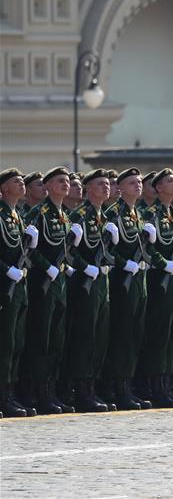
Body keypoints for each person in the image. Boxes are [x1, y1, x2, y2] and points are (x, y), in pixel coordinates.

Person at [22, 167, 79, 414]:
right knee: (41, 339)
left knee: (57, 338)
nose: (66, 184)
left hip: (59, 283)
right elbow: (28, 249)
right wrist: (48, 268)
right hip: (42, 284)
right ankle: (36, 392)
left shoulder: (63, 215)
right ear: (48, 186)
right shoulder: (40, 213)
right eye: (60, 181)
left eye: (67, 180)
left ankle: (51, 390)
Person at [139, 169, 173, 408]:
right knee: (160, 333)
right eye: (170, 181)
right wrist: (163, 263)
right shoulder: (150, 214)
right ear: (158, 188)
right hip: (159, 279)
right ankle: (155, 385)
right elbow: (145, 248)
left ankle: (167, 383)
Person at [66, 169, 116, 413]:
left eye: (107, 184)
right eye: (100, 184)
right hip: (86, 285)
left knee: (100, 336)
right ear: (87, 189)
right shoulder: (80, 216)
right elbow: (67, 251)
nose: (106, 187)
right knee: (86, 337)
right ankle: (81, 390)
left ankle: (92, 386)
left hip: (102, 283)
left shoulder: (104, 217)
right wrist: (85, 268)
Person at [104, 168, 151, 411]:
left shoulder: (139, 215)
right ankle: (119, 388)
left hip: (138, 281)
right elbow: (107, 252)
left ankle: (128, 385)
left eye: (140, 182)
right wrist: (125, 264)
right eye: (132, 183)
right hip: (122, 282)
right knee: (123, 336)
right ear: (120, 189)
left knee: (135, 334)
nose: (138, 185)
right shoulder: (113, 214)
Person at [0, 168, 38, 417]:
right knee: (5, 343)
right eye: (16, 181)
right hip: (5, 287)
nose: (21, 183)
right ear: (3, 189)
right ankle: (4, 396)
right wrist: (6, 271)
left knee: (17, 343)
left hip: (19, 287)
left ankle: (11, 393)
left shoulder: (18, 216)